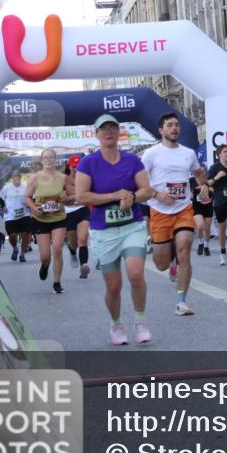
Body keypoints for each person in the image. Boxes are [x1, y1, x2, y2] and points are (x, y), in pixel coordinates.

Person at [75, 114, 155, 345]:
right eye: (104, 129)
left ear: (119, 133)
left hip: (132, 226)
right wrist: (114, 195)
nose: (109, 132)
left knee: (136, 273)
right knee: (114, 286)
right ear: (96, 134)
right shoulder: (88, 163)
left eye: (112, 128)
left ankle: (140, 321)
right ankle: (116, 324)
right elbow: (81, 196)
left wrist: (131, 196)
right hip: (104, 231)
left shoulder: (132, 161)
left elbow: (146, 190)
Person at [142, 112, 208, 316]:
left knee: (185, 249)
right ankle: (167, 257)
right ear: (161, 130)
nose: (174, 128)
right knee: (160, 264)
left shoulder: (188, 153)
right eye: (170, 125)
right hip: (160, 211)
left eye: (177, 125)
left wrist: (204, 185)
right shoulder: (151, 154)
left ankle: (181, 301)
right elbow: (140, 182)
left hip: (183, 209)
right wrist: (156, 194)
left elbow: (198, 172)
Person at [25, 149, 72, 294]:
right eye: (45, 158)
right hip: (41, 219)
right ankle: (45, 265)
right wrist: (34, 208)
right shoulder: (35, 178)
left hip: (59, 218)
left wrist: (67, 198)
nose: (48, 160)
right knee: (45, 256)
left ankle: (57, 282)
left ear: (55, 160)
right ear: (42, 160)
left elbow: (73, 197)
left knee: (57, 249)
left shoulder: (63, 178)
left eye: (51, 157)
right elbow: (27, 197)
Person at [63, 162, 92, 279]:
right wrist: (63, 196)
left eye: (78, 166)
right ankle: (72, 251)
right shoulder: (63, 179)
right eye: (73, 166)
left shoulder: (85, 177)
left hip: (83, 210)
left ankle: (84, 266)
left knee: (83, 239)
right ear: (69, 166)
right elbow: (58, 195)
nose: (76, 168)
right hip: (69, 213)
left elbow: (88, 193)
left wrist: (73, 197)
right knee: (74, 243)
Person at [0, 172, 32, 263]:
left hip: (25, 214)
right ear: (12, 178)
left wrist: (29, 204)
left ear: (20, 177)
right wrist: (3, 207)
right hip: (10, 215)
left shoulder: (25, 187)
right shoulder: (6, 188)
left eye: (18, 177)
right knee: (12, 236)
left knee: (25, 234)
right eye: (14, 177)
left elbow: (31, 197)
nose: (16, 179)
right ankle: (15, 248)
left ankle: (22, 254)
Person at [189, 174, 213, 256]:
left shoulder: (209, 179)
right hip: (197, 206)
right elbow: (193, 187)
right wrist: (204, 187)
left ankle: (206, 246)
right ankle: (201, 242)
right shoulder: (192, 179)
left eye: (203, 171)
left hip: (208, 205)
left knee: (207, 228)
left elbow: (214, 189)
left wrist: (208, 188)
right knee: (200, 226)